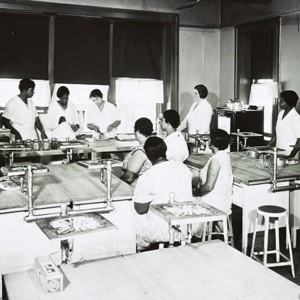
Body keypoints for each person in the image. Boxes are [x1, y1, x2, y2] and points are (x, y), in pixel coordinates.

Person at [133, 136, 193, 250]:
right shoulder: (183, 168)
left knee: (132, 214)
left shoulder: (148, 176)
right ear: (165, 150)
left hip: (162, 229)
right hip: (186, 224)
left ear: (148, 155)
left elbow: (140, 209)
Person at [194, 129, 233, 214]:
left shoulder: (216, 160)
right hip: (223, 202)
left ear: (212, 143)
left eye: (209, 138)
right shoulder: (225, 156)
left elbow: (208, 187)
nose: (207, 140)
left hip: (213, 203)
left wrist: (194, 193)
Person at [120, 118, 153, 187]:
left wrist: (114, 183)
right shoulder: (154, 145)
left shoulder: (141, 151)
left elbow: (128, 178)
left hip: (136, 190)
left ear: (137, 131)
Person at [268, 90, 300, 158]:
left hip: (290, 153)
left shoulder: (296, 117)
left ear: (289, 102)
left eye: (281, 102)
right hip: (278, 152)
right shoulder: (280, 114)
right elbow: (276, 136)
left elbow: (299, 140)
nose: (279, 103)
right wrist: (266, 148)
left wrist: (291, 155)